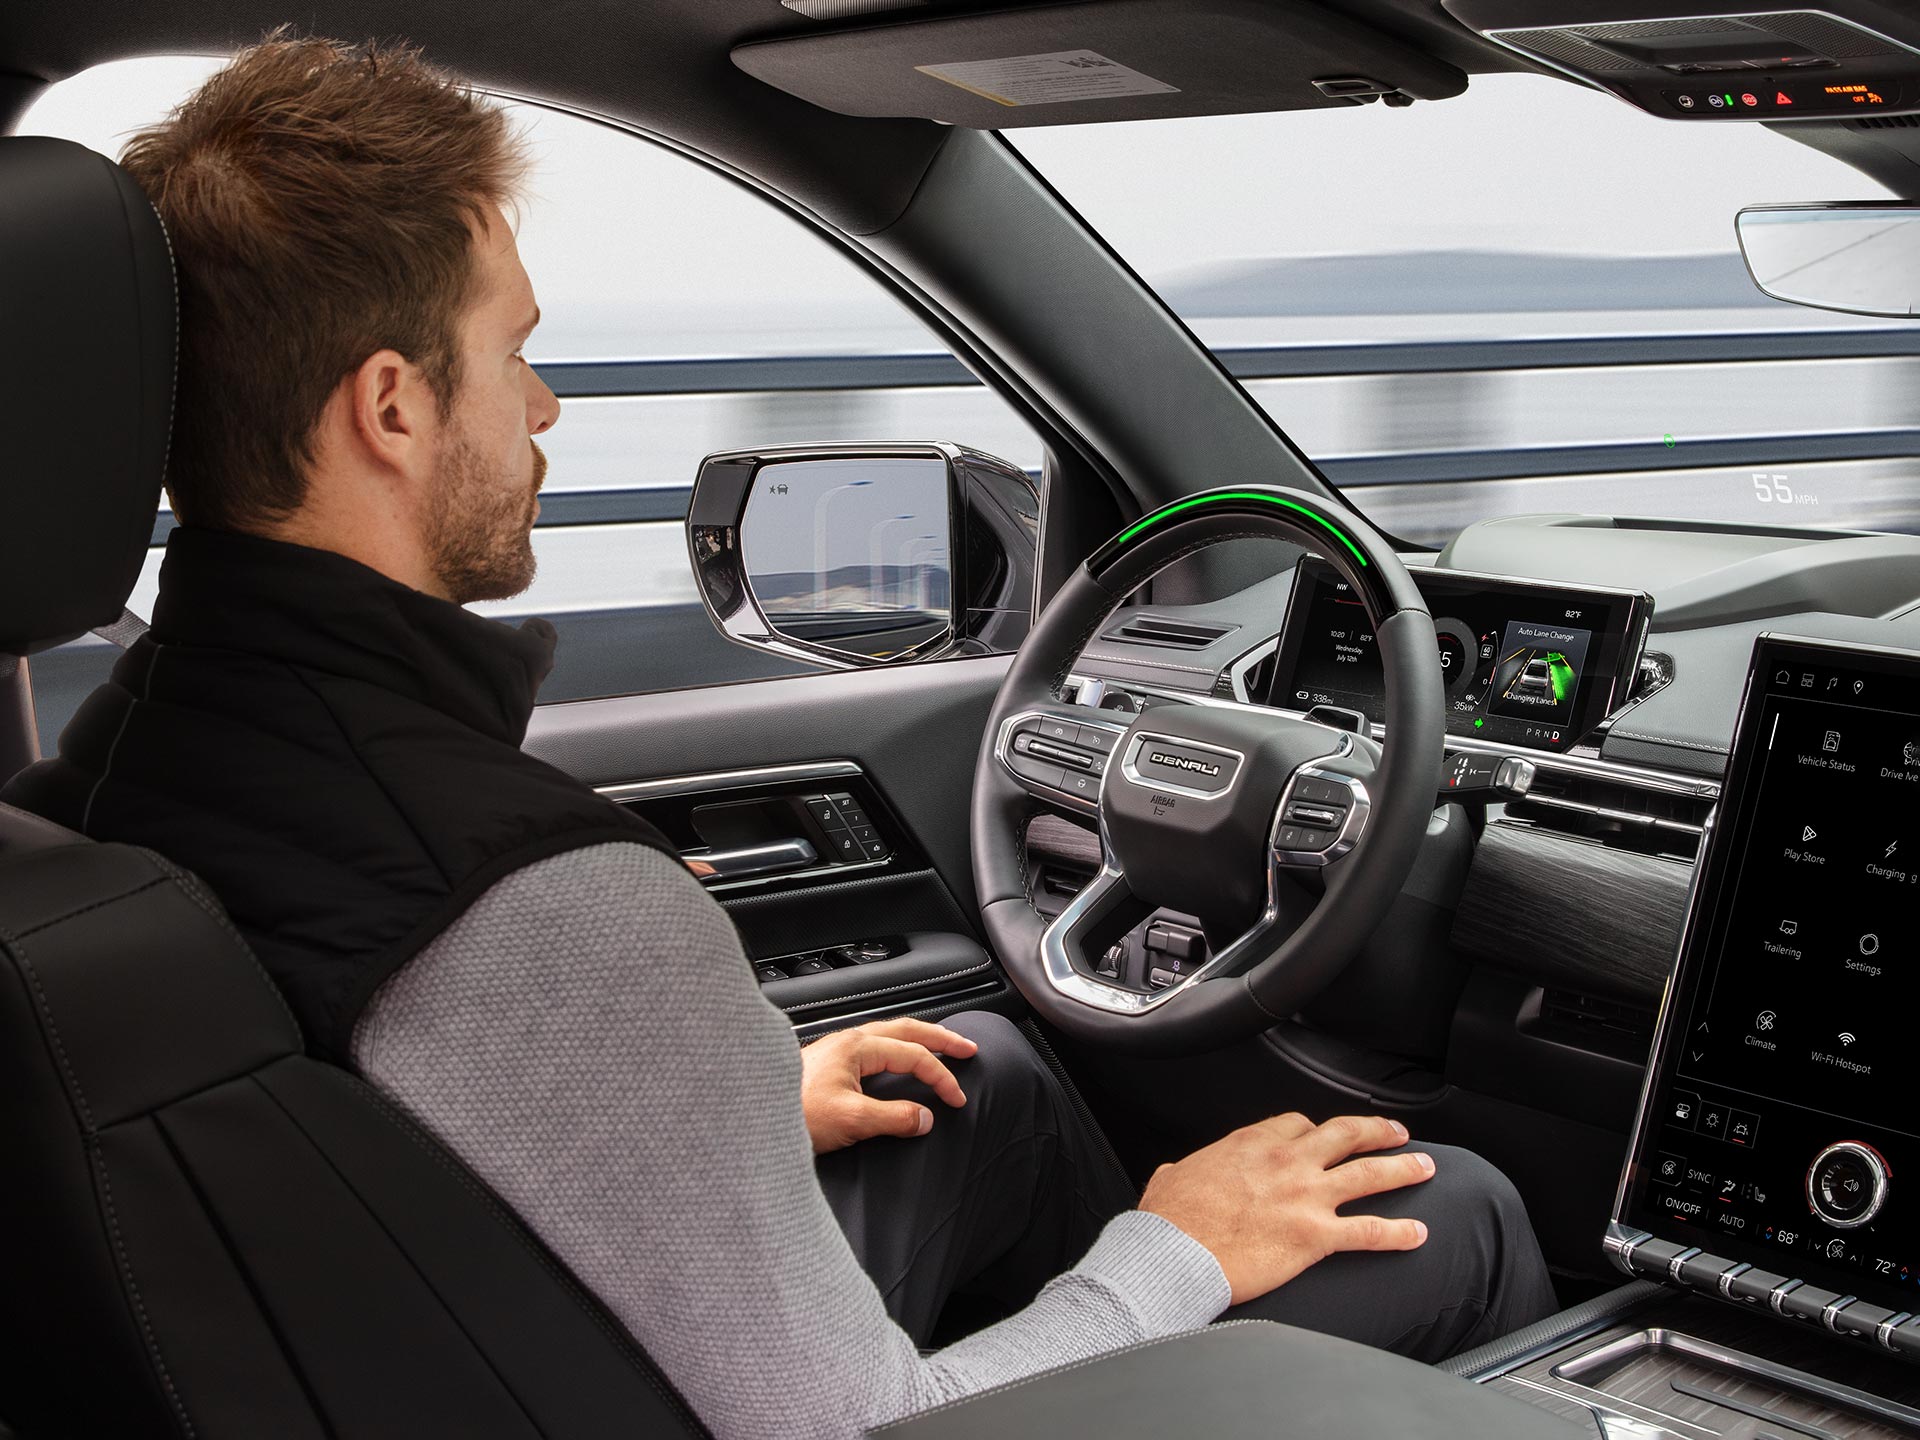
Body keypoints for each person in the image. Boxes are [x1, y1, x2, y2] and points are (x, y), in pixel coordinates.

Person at [4, 33, 1556, 1438]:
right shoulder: (540, 907)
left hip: (445, 1351)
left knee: (991, 1085)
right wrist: (1172, 1259)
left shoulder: (112, 772)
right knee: (1461, 1205)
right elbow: (847, 1433)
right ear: (394, 406)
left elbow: (378, 1141)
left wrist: (726, 1098)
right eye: (516, 349)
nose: (543, 409)